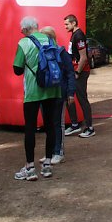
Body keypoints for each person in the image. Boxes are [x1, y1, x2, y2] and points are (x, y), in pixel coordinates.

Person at [12, 16, 60, 180]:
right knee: (50, 126)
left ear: (25, 29)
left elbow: (17, 69)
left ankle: (30, 167)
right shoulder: (50, 40)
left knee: (30, 128)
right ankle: (47, 165)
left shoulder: (24, 42)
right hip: (52, 88)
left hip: (33, 91)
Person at [41, 26, 77, 164]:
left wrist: (70, 93)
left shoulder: (62, 53)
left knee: (57, 123)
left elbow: (70, 74)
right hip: (45, 93)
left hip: (59, 93)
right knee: (49, 123)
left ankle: (58, 152)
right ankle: (50, 153)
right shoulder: (42, 53)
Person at [63, 14, 95, 138]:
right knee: (69, 96)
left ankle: (90, 128)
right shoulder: (74, 35)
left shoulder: (79, 35)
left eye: (67, 24)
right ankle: (75, 124)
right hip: (73, 70)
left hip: (80, 72)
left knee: (82, 98)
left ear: (74, 23)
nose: (65, 27)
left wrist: (77, 72)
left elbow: (83, 57)